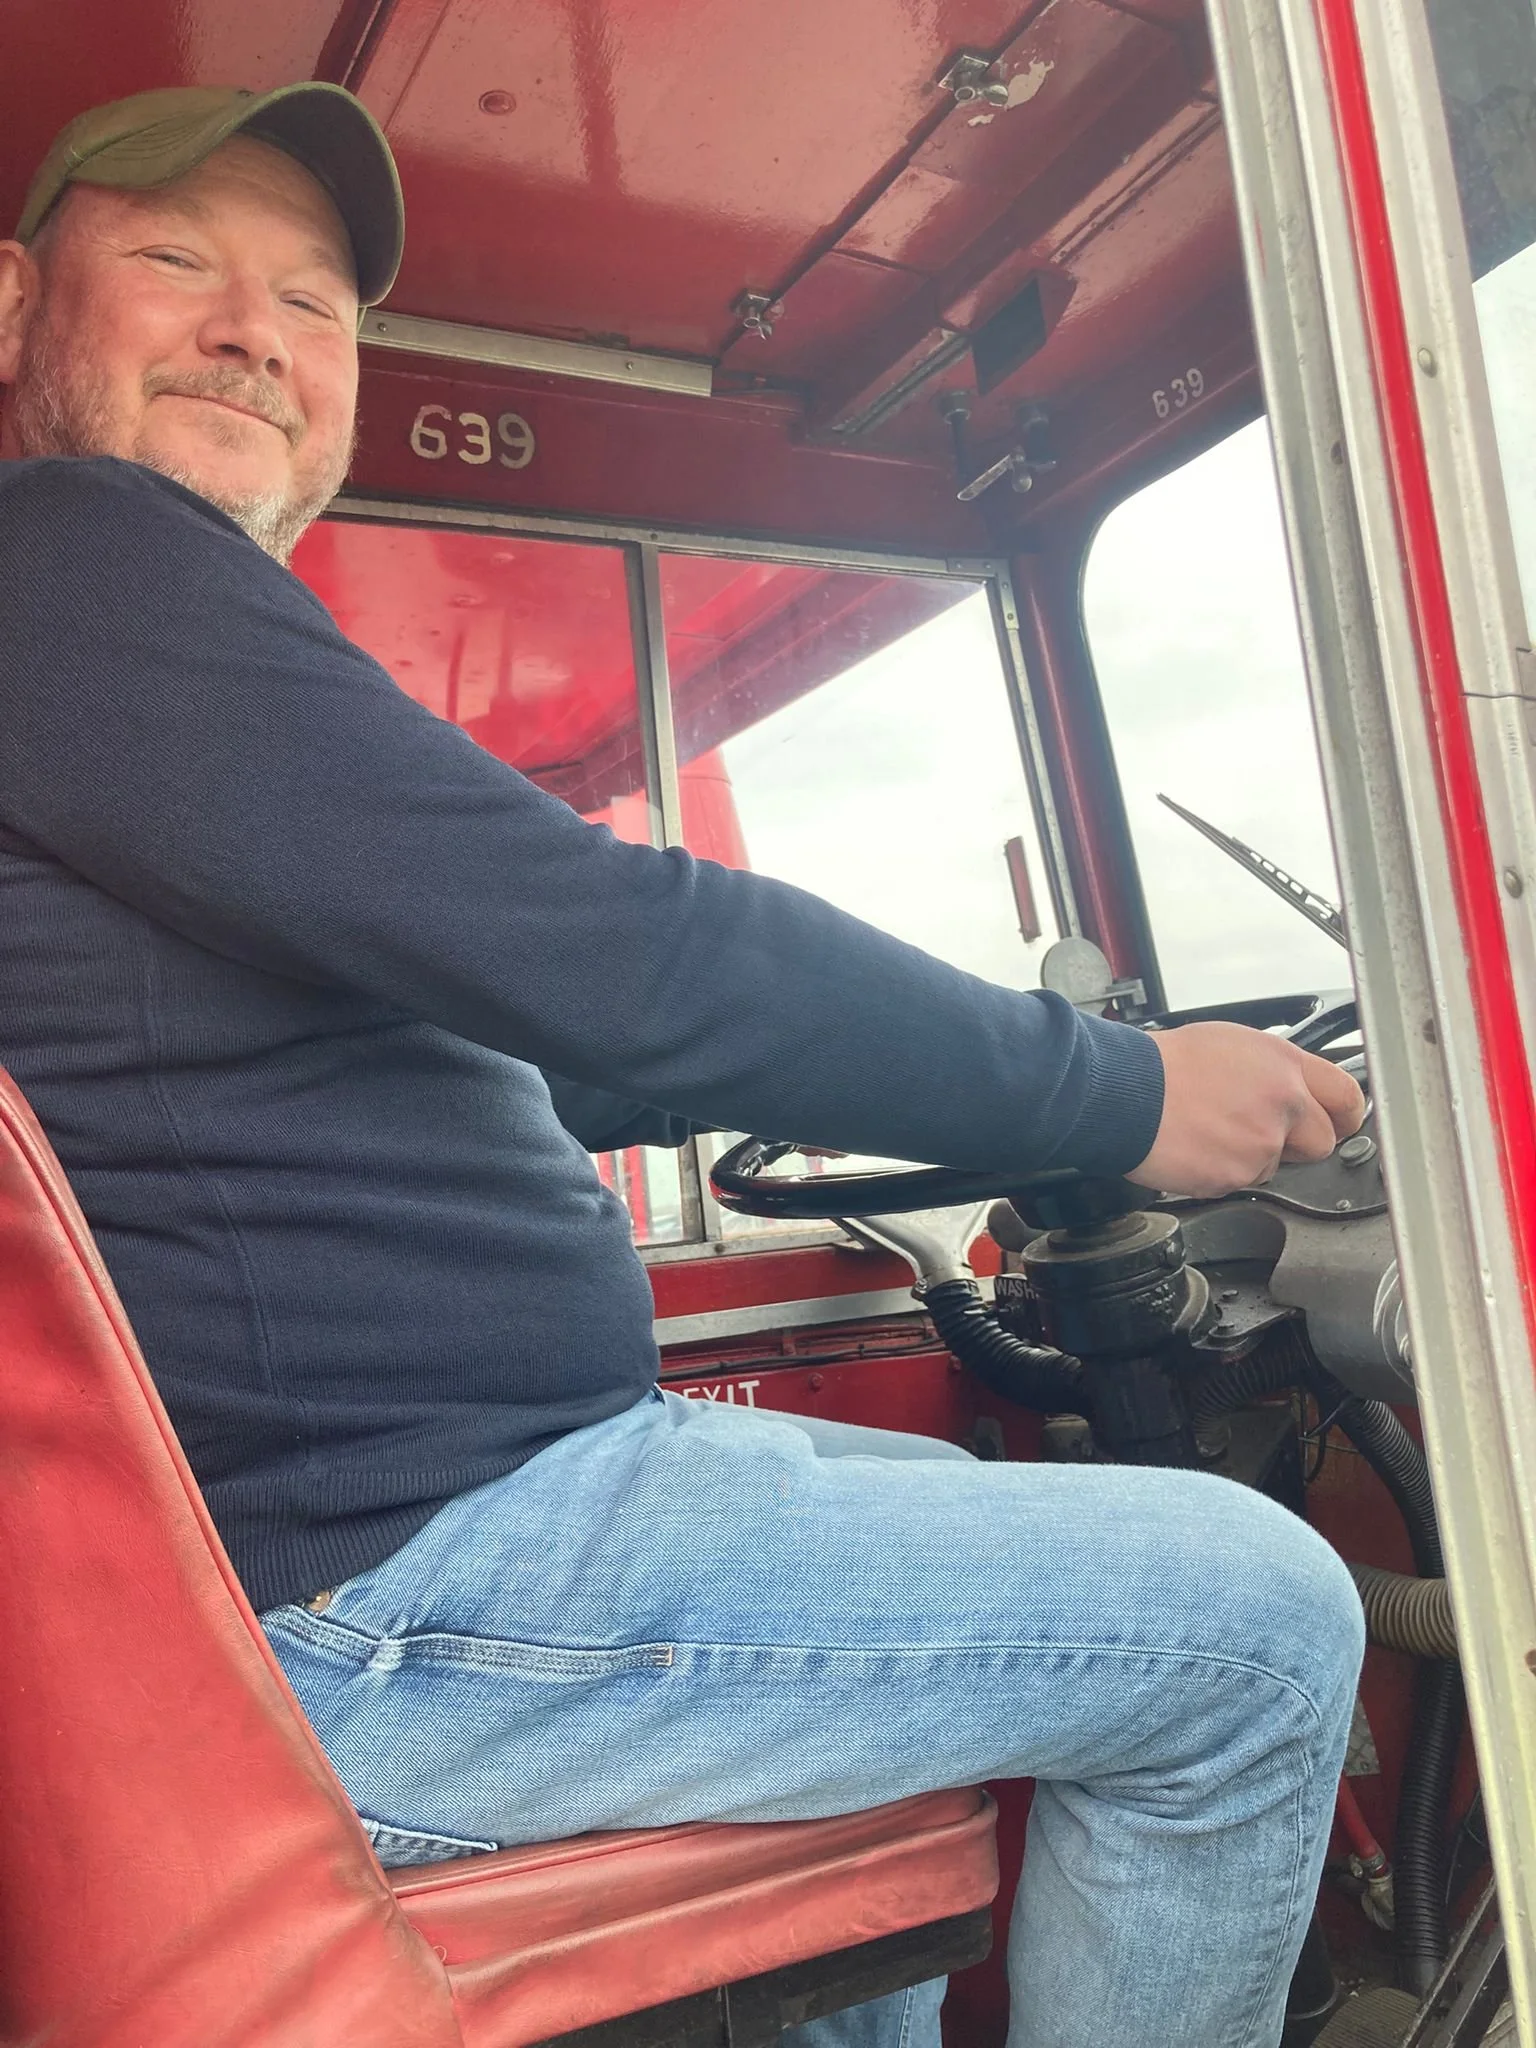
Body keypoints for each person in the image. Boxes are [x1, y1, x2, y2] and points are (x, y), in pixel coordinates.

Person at [0, 84, 1367, 2048]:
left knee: (901, 1675)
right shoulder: (70, 555)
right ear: (14, 306)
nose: (256, 331)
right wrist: (1121, 1095)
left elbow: (483, 1030)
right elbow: (623, 946)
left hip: (433, 1524)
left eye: (313, 305)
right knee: (1252, 1620)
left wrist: (692, 1080)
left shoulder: (131, 684)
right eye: (177, 262)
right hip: (383, 1590)